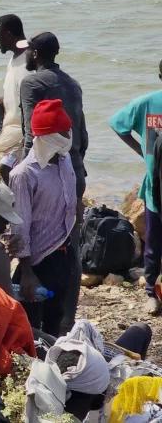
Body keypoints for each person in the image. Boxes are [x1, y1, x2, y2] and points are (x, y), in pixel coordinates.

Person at [10, 99, 80, 336]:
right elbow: (20, 226)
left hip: (64, 254)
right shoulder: (24, 175)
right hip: (38, 262)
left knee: (57, 323)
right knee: (30, 330)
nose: (67, 136)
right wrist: (27, 271)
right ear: (46, 137)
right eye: (62, 133)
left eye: (68, 130)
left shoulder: (65, 159)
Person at [110, 59, 162, 314]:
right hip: (157, 186)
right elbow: (118, 124)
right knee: (153, 242)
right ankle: (151, 291)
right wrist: (142, 151)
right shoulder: (147, 103)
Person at [20, 31, 88, 200]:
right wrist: (77, 166)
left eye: (27, 50)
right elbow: (83, 135)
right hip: (75, 174)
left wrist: (24, 172)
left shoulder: (32, 83)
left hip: (46, 176)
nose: (25, 55)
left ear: (35, 54)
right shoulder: (74, 84)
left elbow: (31, 134)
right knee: (70, 225)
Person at [0, 14, 29, 174]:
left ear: (9, 35)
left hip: (20, 129)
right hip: (10, 127)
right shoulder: (14, 59)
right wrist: (2, 101)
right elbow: (19, 92)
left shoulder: (29, 61)